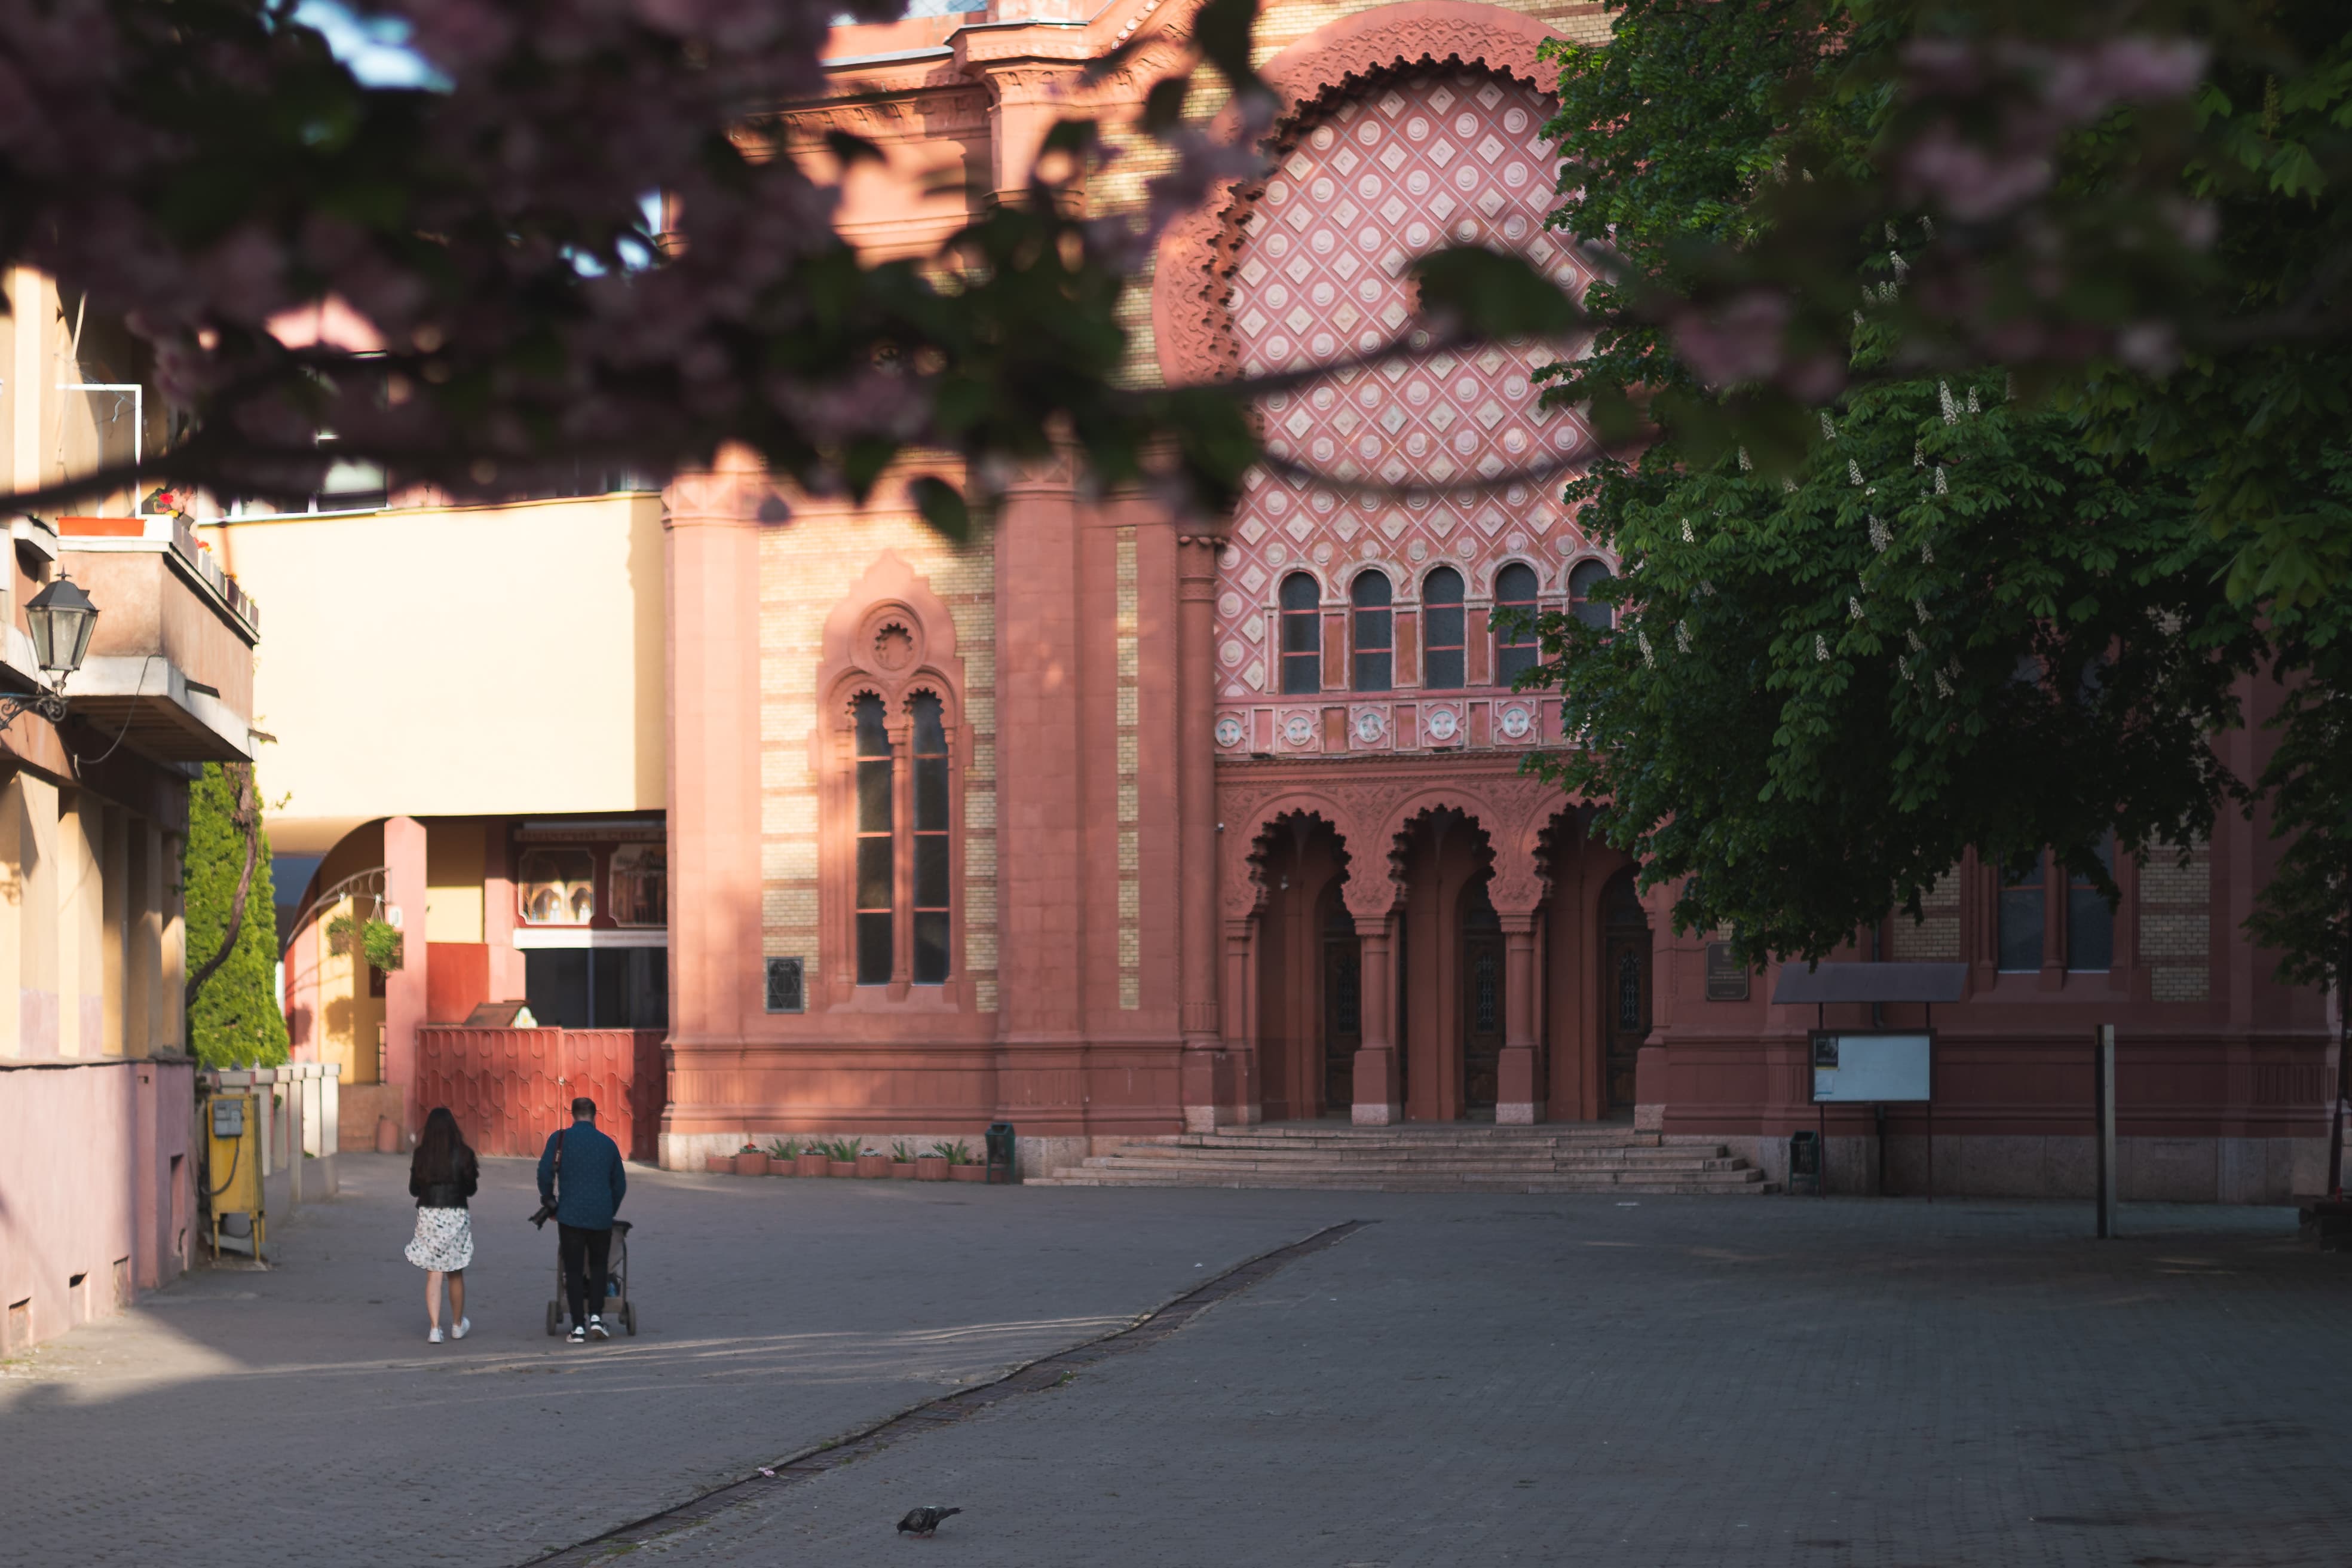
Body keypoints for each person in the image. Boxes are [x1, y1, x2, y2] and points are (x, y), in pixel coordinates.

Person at [537, 1095, 627, 1343]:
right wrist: (609, 1209)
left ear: (573, 1115)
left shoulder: (560, 1139)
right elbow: (620, 1184)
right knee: (599, 1267)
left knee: (573, 1270)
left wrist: (549, 1200)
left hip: (570, 1216)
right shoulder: (608, 1144)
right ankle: (597, 1318)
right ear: (594, 1116)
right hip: (601, 1218)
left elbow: (545, 1172)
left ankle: (578, 1327)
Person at [405, 1107, 479, 1343]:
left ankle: (435, 1329)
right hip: (456, 1213)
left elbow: (414, 1189)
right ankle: (457, 1325)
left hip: (428, 1213)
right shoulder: (465, 1154)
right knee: (455, 1272)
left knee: (434, 1273)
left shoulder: (421, 1155)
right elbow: (471, 1189)